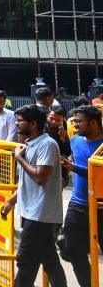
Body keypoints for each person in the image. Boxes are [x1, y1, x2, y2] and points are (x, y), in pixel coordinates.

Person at [1, 105, 66, 287]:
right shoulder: (30, 144)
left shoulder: (47, 145)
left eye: (20, 121)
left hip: (40, 214)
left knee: (25, 261)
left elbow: (40, 177)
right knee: (50, 261)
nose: (17, 124)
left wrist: (19, 159)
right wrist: (11, 201)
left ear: (34, 124)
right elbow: (26, 182)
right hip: (31, 212)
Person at [59, 105, 103, 287]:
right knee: (71, 249)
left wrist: (74, 168)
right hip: (78, 205)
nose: (75, 125)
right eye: (74, 121)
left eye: (79, 121)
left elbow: (99, 173)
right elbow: (75, 159)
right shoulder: (75, 140)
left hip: (101, 206)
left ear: (93, 122)